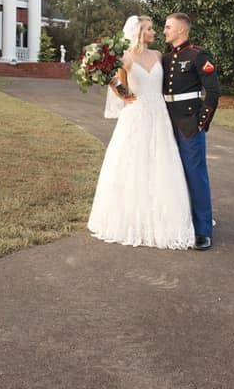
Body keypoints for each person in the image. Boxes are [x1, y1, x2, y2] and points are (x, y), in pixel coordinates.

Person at [87, 16, 195, 250]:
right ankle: (131, 219)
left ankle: (166, 220)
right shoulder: (125, 58)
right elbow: (112, 80)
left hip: (159, 115)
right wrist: (124, 94)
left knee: (160, 162)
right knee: (134, 163)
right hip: (136, 115)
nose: (154, 31)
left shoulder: (158, 56)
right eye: (149, 28)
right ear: (138, 32)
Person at [161, 13, 220, 251]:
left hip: (188, 124)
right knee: (171, 175)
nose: (164, 31)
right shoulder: (165, 59)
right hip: (165, 123)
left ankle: (203, 230)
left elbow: (213, 92)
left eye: (168, 27)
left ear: (181, 30)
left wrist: (201, 122)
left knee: (196, 176)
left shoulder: (198, 55)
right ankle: (180, 222)